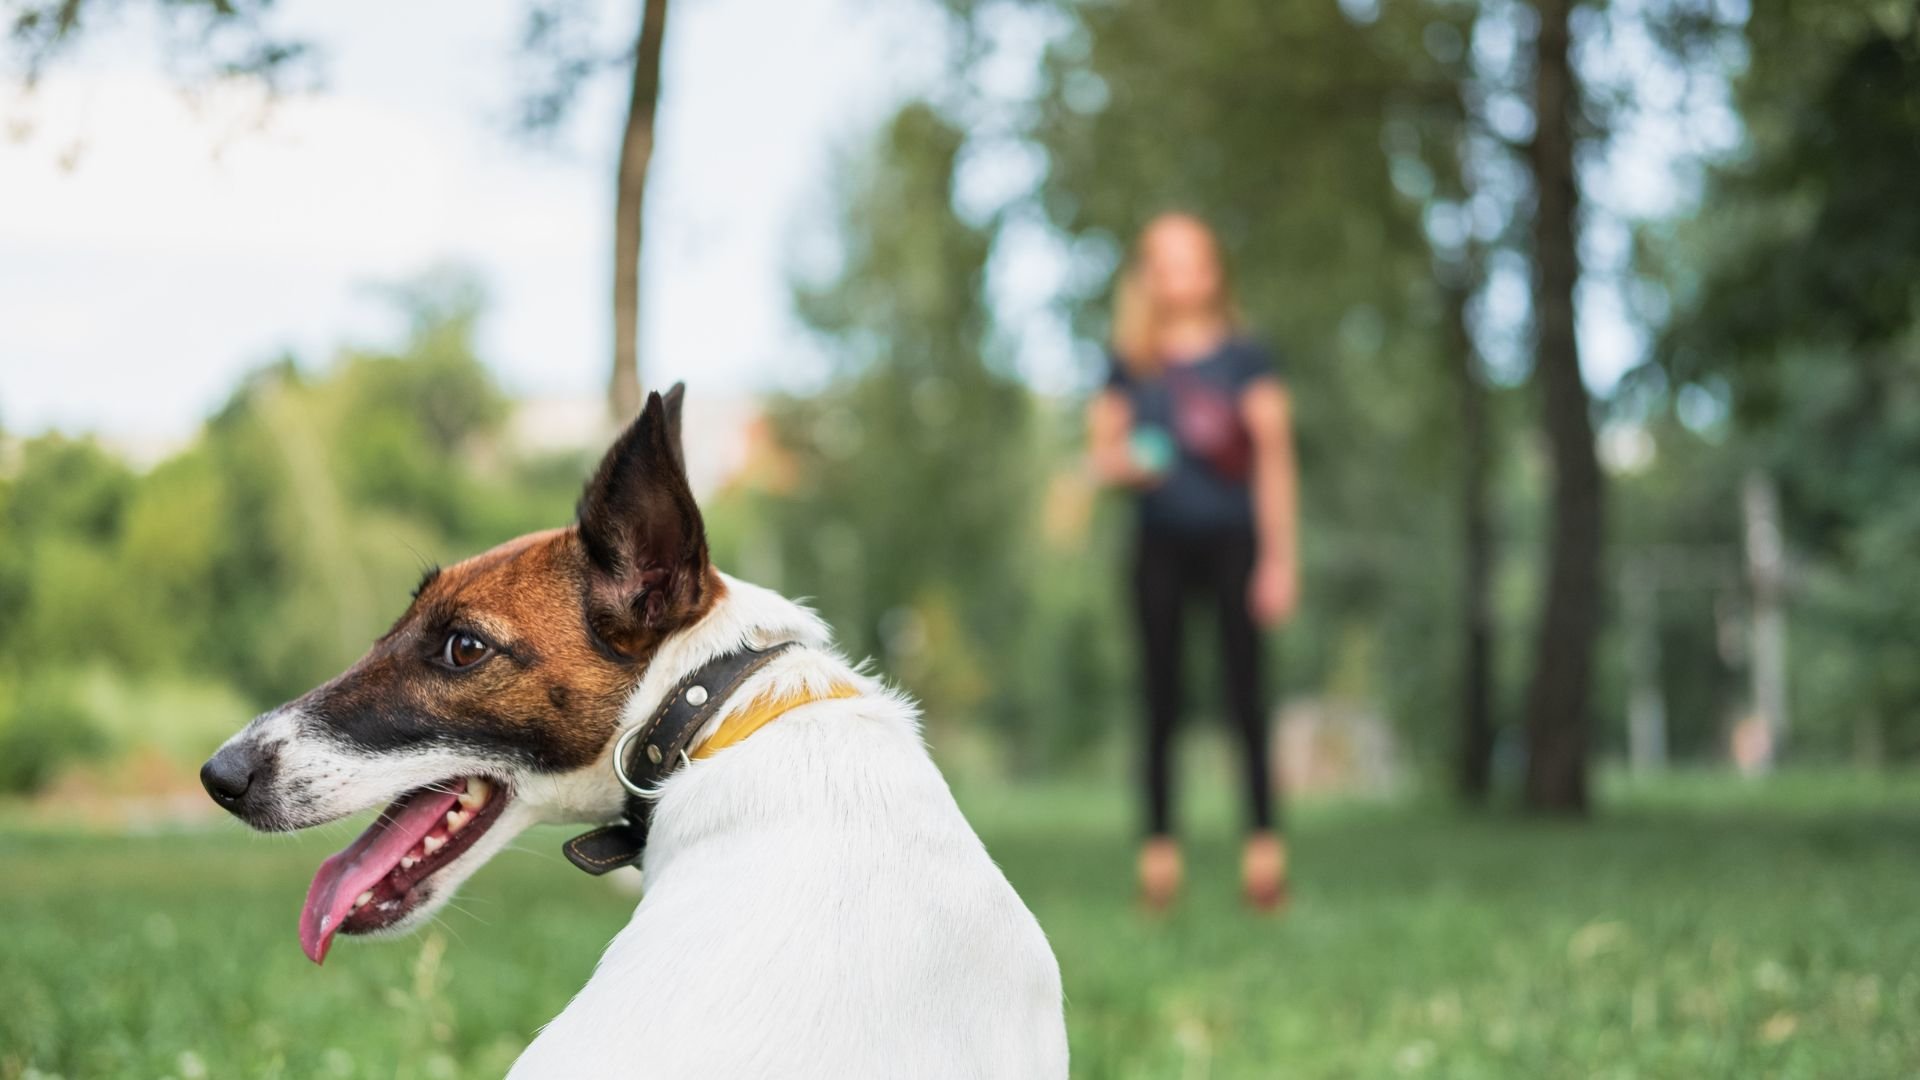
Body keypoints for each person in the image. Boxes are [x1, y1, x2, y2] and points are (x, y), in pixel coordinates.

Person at [1086, 212, 1299, 912]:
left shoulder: (1246, 358)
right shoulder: (1130, 363)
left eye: (1197, 260)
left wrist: (1279, 560)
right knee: (1160, 702)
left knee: (1247, 699)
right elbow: (1102, 455)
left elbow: (1274, 460)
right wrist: (1127, 466)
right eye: (1170, 263)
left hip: (1235, 542)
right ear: (1150, 277)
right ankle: (1159, 862)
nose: (1186, 276)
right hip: (1160, 546)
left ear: (1215, 271)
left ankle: (1265, 857)